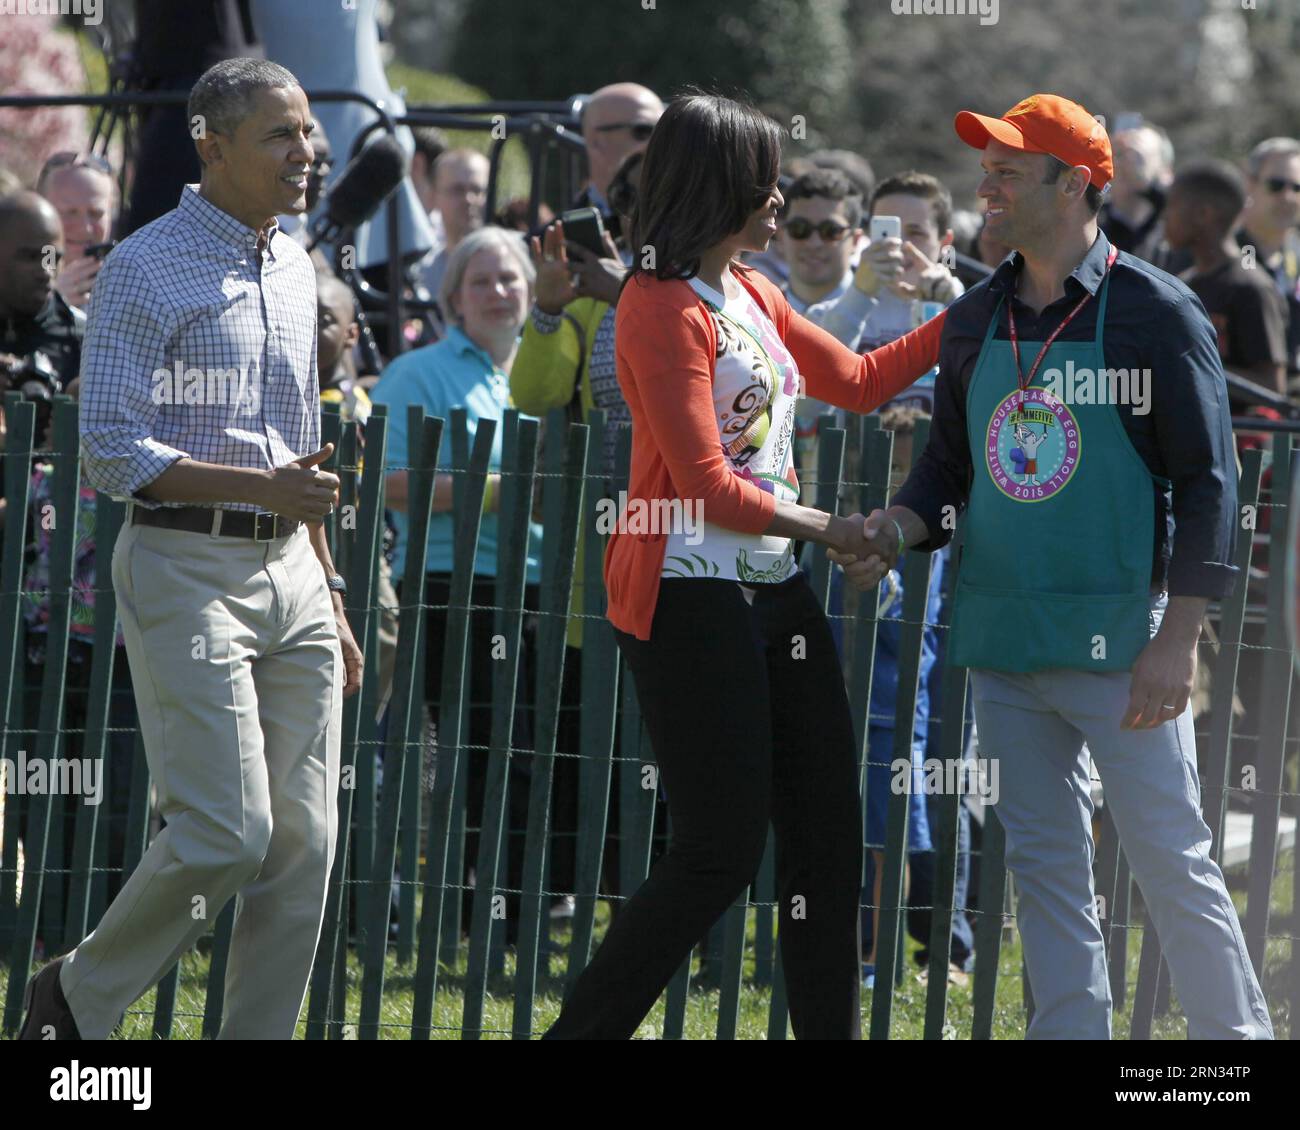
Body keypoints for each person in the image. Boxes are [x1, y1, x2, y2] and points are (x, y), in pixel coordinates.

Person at [835, 93, 1273, 1039]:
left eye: (1006, 170)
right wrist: (892, 531)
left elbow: (1209, 487)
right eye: (984, 168)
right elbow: (948, 473)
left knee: (1170, 864)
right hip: (1001, 644)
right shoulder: (973, 317)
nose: (983, 187)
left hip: (1126, 651)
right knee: (1043, 870)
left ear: (1074, 185)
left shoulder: (1159, 314)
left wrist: (1176, 640)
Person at [543, 91, 945, 1041]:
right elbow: (705, 486)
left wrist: (969, 306)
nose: (779, 204)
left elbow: (860, 380)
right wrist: (832, 526)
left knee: (830, 845)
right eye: (763, 188)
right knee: (718, 851)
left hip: (773, 589)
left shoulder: (755, 290)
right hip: (687, 595)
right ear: (716, 188)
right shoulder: (653, 305)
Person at [19, 57, 363, 1042]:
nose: (309, 152)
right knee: (227, 830)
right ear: (211, 145)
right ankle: (76, 998)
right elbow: (112, 449)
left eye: (308, 132)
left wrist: (330, 599)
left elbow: (299, 456)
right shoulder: (143, 263)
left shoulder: (298, 265)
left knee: (304, 846)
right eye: (281, 135)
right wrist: (265, 491)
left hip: (294, 573)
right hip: (182, 565)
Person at [371, 224, 543, 939]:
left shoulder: (543, 372)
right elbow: (385, 477)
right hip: (449, 583)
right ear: (452, 301)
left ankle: (513, 906)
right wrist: (504, 491)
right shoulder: (417, 373)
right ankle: (454, 903)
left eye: (511, 279)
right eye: (482, 281)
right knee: (464, 755)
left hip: (537, 586)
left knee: (528, 749)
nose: (499, 292)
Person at [1163, 159, 1288, 406]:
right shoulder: (1182, 284)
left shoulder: (1251, 287)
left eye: (1172, 206)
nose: (1165, 217)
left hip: (1238, 438)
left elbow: (1273, 387)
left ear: (1204, 214)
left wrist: (1193, 367)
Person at [1237, 137, 1300, 376]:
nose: (1288, 197)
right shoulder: (1225, 252)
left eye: (1297, 188)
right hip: (1241, 404)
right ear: (1250, 184)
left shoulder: (1297, 255)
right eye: (1276, 185)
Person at [575, 82, 663, 241]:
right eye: (643, 131)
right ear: (596, 141)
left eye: (663, 132)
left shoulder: (692, 232)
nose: (654, 143)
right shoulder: (553, 241)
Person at [36, 152, 118, 310]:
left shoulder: (129, 279)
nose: (85, 228)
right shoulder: (11, 277)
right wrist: (51, 304)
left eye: (96, 214)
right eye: (69, 212)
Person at [417, 149, 490, 305]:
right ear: (433, 196)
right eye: (457, 190)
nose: (469, 199)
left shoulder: (513, 267)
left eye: (477, 190)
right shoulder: (420, 274)